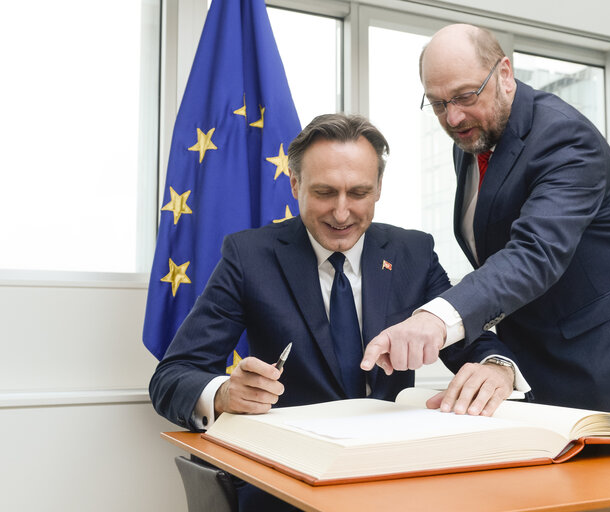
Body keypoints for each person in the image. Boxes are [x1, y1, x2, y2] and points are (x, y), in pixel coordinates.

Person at [149, 113, 517, 512]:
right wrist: (223, 393)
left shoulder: (413, 252)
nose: (341, 213)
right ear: (295, 185)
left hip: (394, 479)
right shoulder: (249, 256)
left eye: (358, 193)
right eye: (325, 192)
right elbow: (172, 376)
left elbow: (472, 342)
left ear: (378, 189)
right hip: (286, 484)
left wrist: (496, 367)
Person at [362, 24, 610, 419]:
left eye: (465, 96)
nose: (452, 117)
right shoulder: (473, 137)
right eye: (437, 103)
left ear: (504, 74)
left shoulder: (566, 138)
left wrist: (437, 320)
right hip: (535, 354)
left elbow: (534, 252)